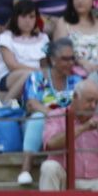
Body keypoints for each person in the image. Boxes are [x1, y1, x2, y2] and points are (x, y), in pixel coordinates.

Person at [17, 36, 81, 187]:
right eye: (65, 59)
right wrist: (53, 115)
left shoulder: (76, 80)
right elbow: (32, 104)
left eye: (72, 58)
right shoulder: (37, 77)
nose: (70, 63)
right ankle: (26, 168)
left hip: (66, 124)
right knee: (39, 117)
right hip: (38, 125)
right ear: (52, 60)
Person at [39, 79, 98, 190]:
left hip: (96, 179)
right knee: (49, 167)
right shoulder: (56, 115)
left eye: (97, 102)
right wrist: (84, 128)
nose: (93, 106)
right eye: (90, 101)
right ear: (75, 97)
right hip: (64, 178)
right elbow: (51, 144)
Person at [0, 0, 49, 104]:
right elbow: (12, 65)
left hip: (39, 77)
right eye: (23, 16)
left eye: (31, 17)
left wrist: (42, 72)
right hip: (9, 76)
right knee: (30, 76)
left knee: (35, 78)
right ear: (16, 18)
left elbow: (46, 64)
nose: (27, 20)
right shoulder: (6, 37)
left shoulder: (43, 38)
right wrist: (36, 71)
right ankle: (5, 106)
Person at [51, 0, 98, 75]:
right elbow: (59, 53)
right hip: (74, 74)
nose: (80, 0)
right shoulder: (63, 23)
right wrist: (82, 62)